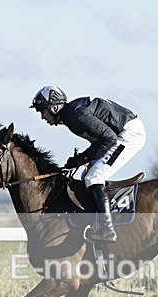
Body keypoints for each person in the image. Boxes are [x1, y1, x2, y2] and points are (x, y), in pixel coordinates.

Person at [30, 85, 146, 243]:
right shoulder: (71, 115)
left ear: (54, 108)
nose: (42, 117)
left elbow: (109, 138)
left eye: (42, 111)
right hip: (121, 133)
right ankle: (97, 220)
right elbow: (101, 139)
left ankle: (108, 230)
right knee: (88, 175)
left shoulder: (74, 116)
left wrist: (82, 159)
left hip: (129, 135)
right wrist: (84, 159)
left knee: (94, 177)